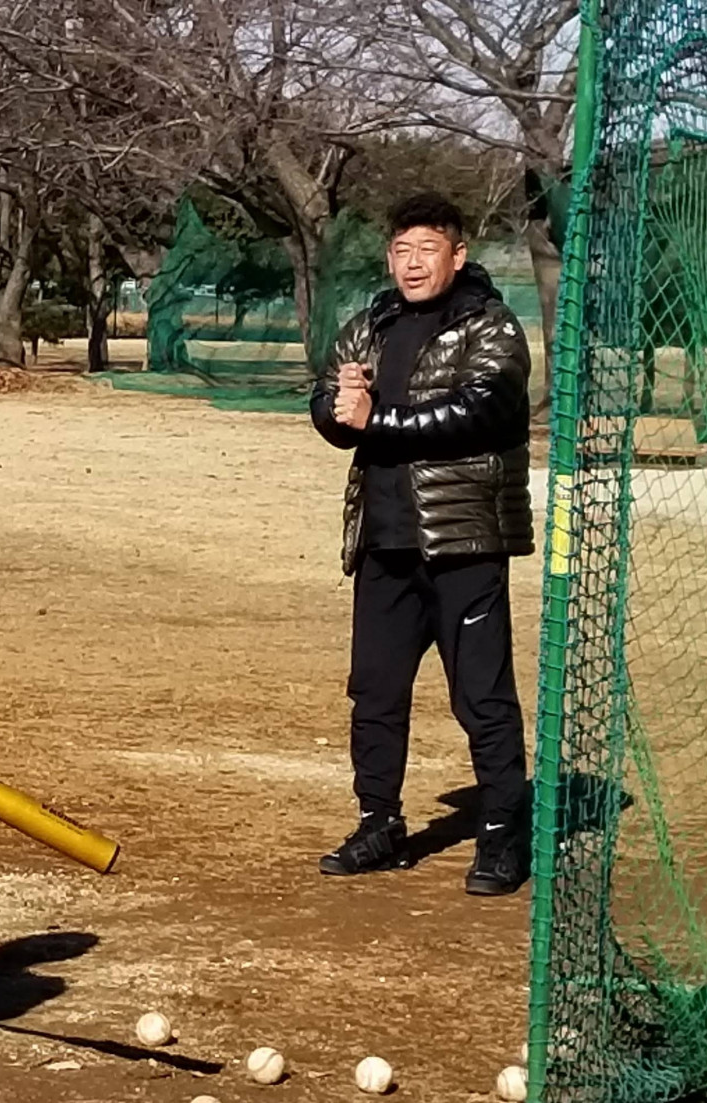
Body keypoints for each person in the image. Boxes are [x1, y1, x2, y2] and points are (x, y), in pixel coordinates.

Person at [310, 192, 537, 897]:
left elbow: (481, 411)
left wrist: (376, 420)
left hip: (463, 543)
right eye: (402, 250)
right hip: (384, 545)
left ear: (457, 255)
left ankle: (503, 830)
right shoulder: (371, 325)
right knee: (374, 693)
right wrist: (338, 410)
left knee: (481, 696)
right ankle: (379, 821)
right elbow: (329, 401)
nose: (412, 264)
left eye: (427, 250)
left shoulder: (490, 326)